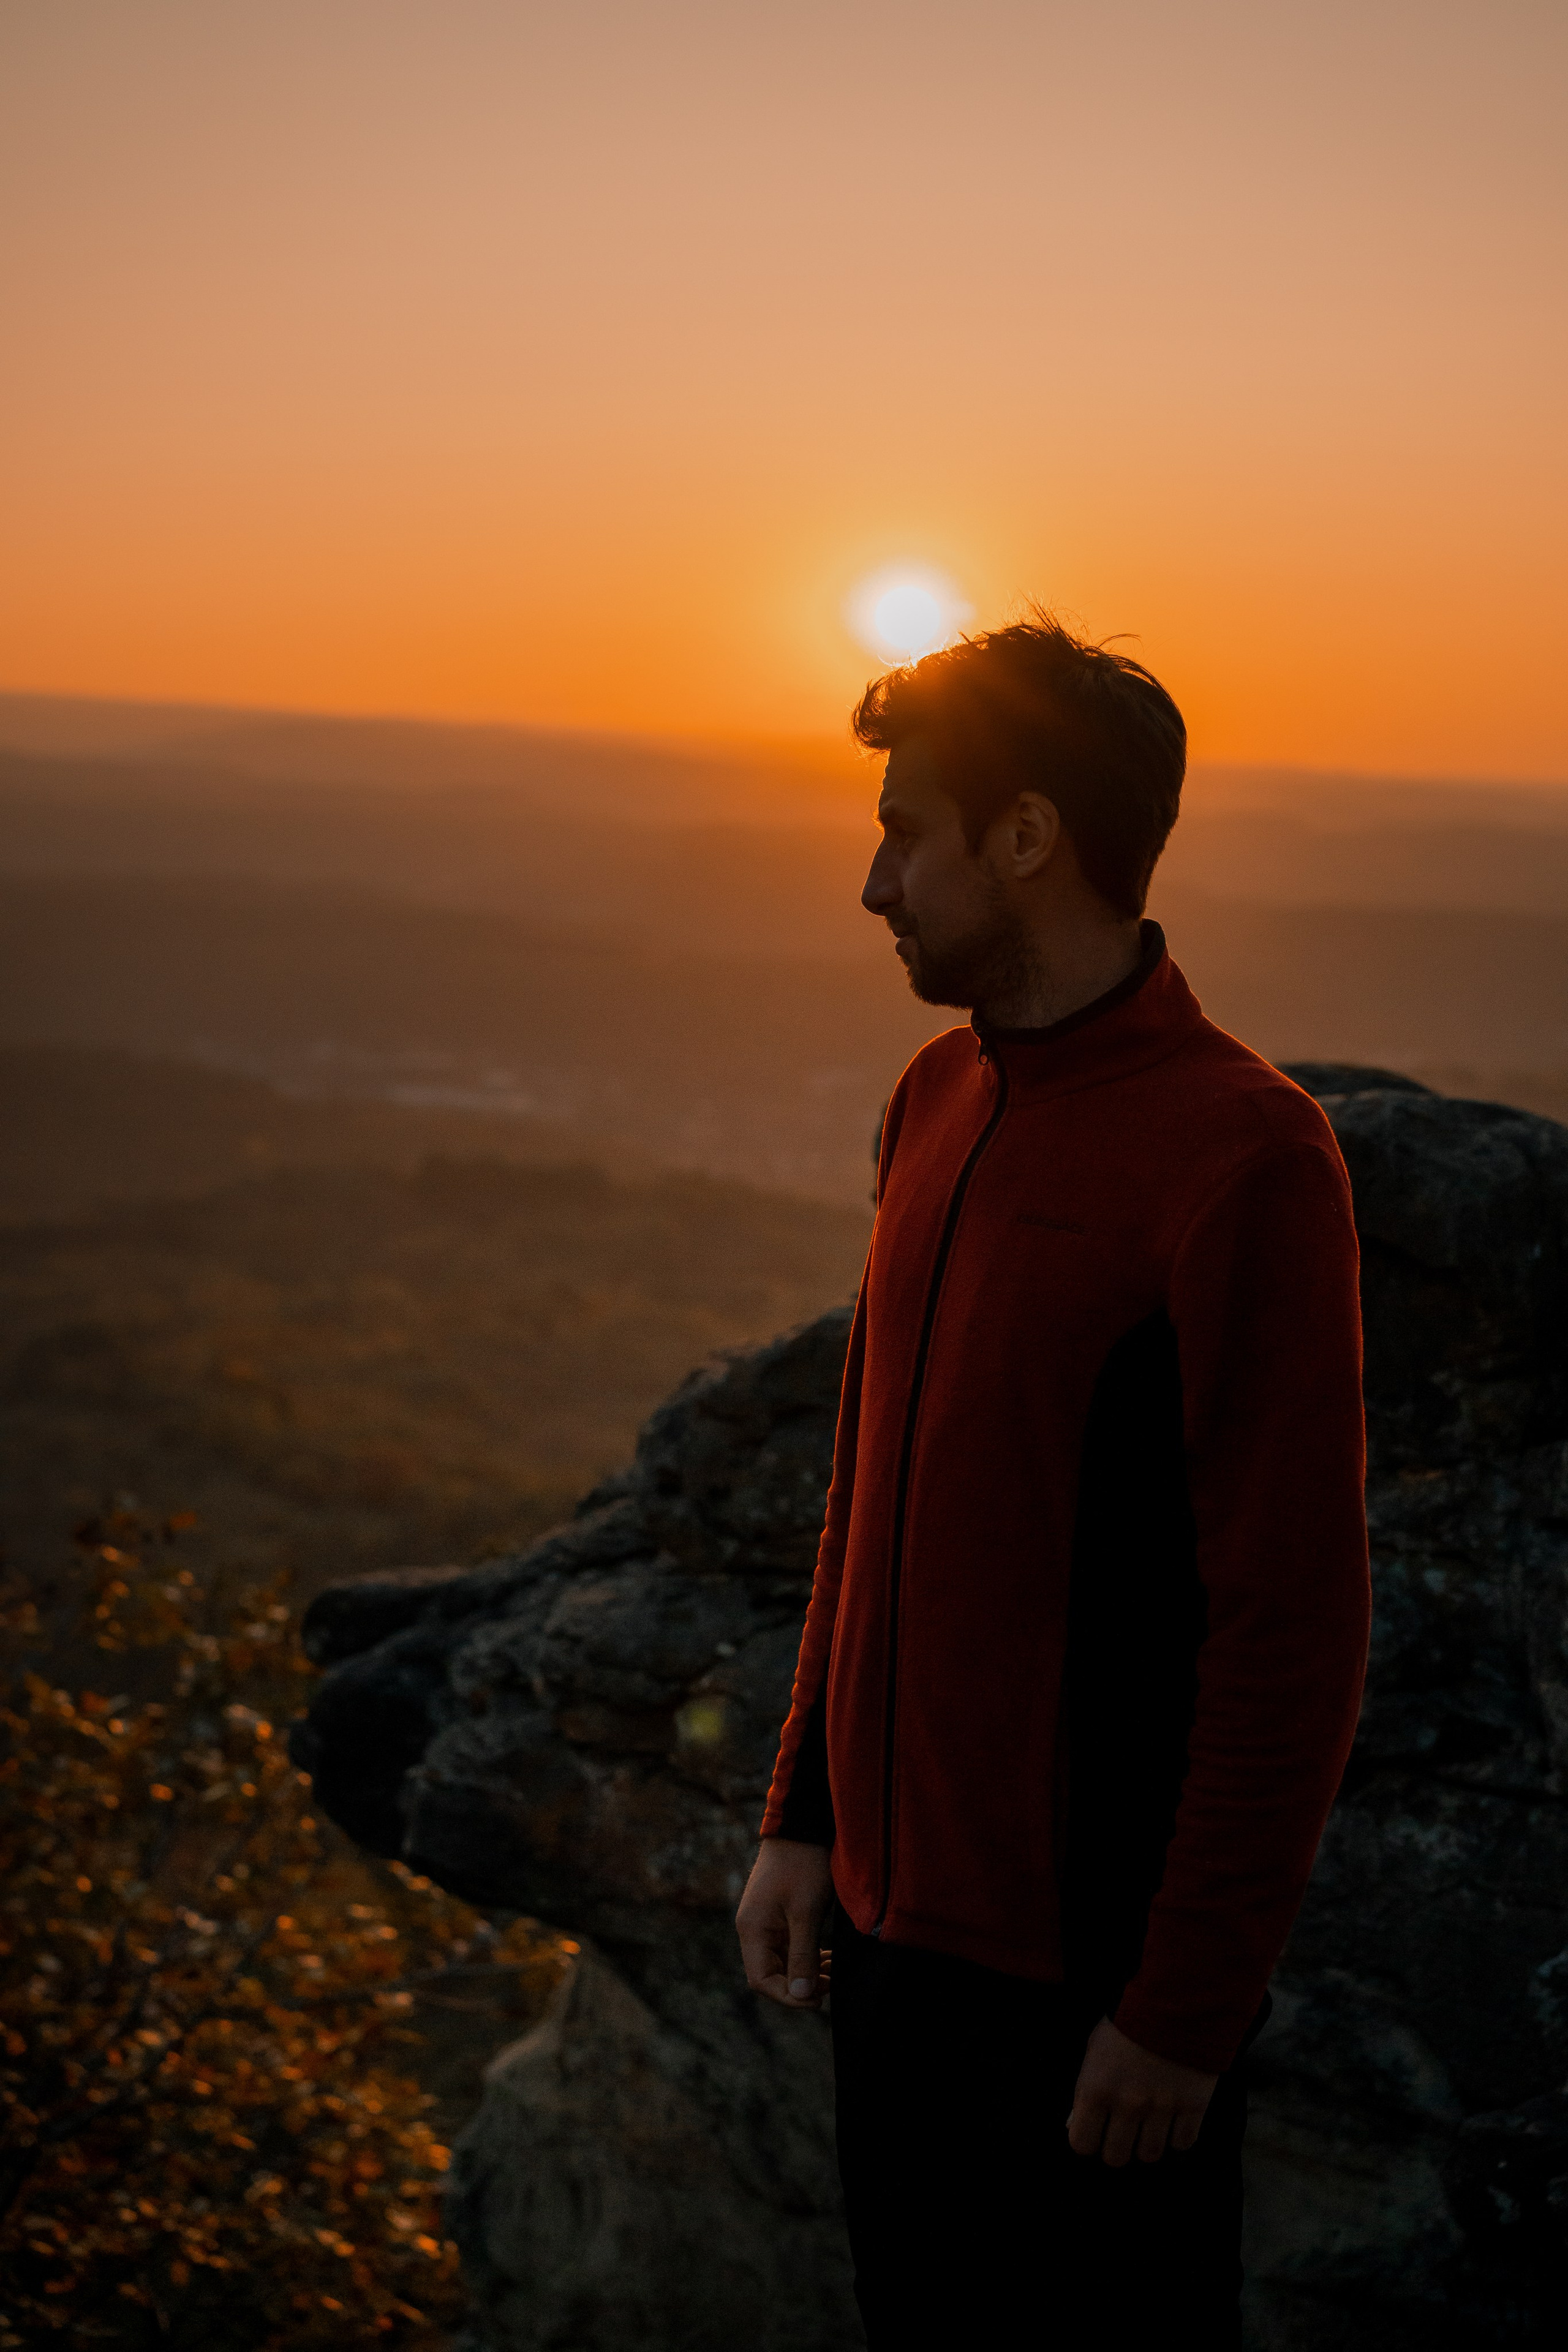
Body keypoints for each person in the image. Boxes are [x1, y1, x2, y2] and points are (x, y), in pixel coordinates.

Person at [734, 618, 1370, 2347]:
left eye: (904, 830)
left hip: (1091, 2006)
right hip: (890, 1962)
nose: (874, 882)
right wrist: (803, 1816)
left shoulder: (1244, 1158)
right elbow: (872, 1494)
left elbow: (1295, 1629)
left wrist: (1183, 2010)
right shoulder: (935, 1096)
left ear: (1026, 838)